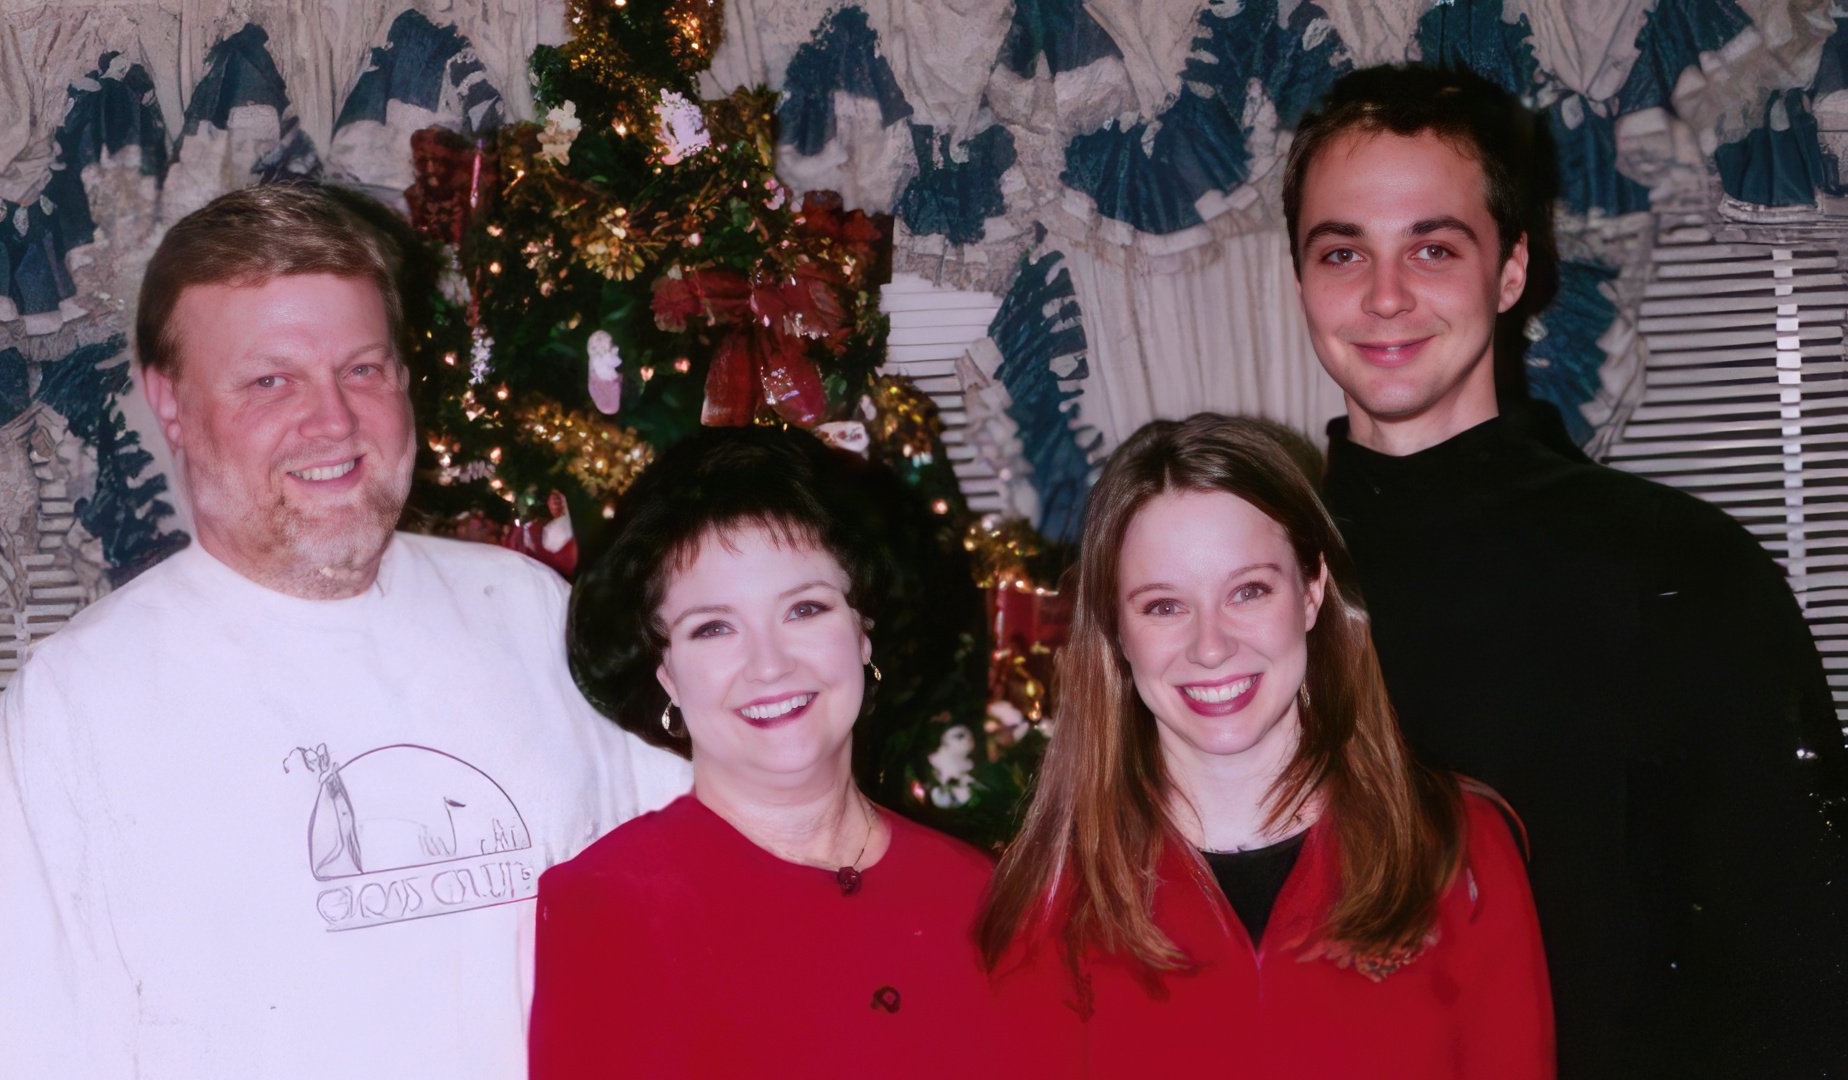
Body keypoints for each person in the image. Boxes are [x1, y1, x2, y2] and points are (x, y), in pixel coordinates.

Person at [0, 183, 688, 1079]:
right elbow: (7, 1052)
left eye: (363, 369)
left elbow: (702, 902)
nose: (333, 422)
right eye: (270, 381)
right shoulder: (77, 704)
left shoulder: (531, 612)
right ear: (168, 402)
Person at [1284, 65, 1848, 1075]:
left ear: (1511, 272)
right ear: (1298, 280)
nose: (1383, 295)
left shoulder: (1679, 566)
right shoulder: (1255, 588)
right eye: (1341, 251)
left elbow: (1800, 959)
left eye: (1433, 246)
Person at [978, 413, 1553, 1079]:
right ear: (1114, 628)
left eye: (1248, 591)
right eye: (1164, 606)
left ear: (1312, 593)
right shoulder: (1051, 896)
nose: (1212, 645)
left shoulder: (1460, 849)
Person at [533, 425, 1014, 1078]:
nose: (769, 665)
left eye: (805, 610)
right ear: (667, 674)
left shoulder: (978, 890)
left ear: (863, 633)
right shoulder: (612, 907)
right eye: (714, 627)